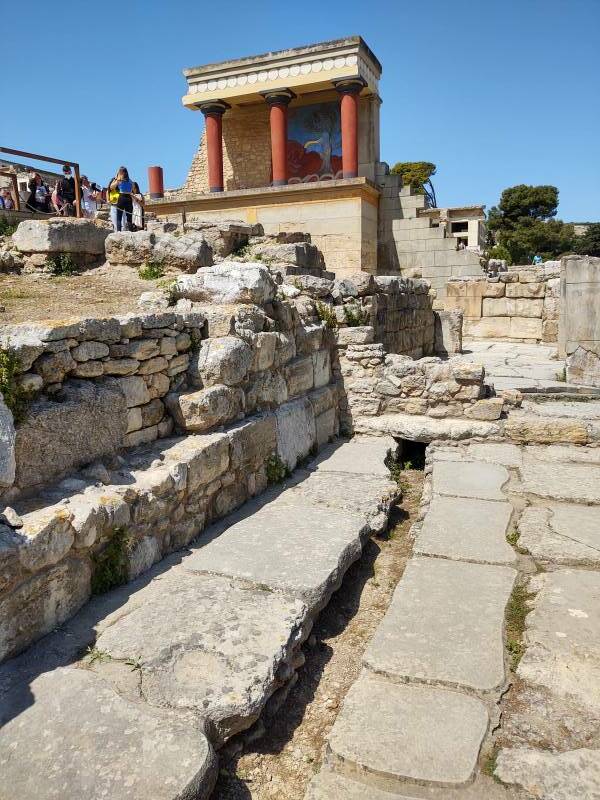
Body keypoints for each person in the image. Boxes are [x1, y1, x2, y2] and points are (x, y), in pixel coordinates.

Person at [108, 166, 134, 232]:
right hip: (129, 198)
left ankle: (119, 233)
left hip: (122, 197)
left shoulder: (119, 180)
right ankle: (131, 232)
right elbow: (133, 188)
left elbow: (111, 187)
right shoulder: (130, 181)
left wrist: (117, 179)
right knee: (129, 218)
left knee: (119, 217)